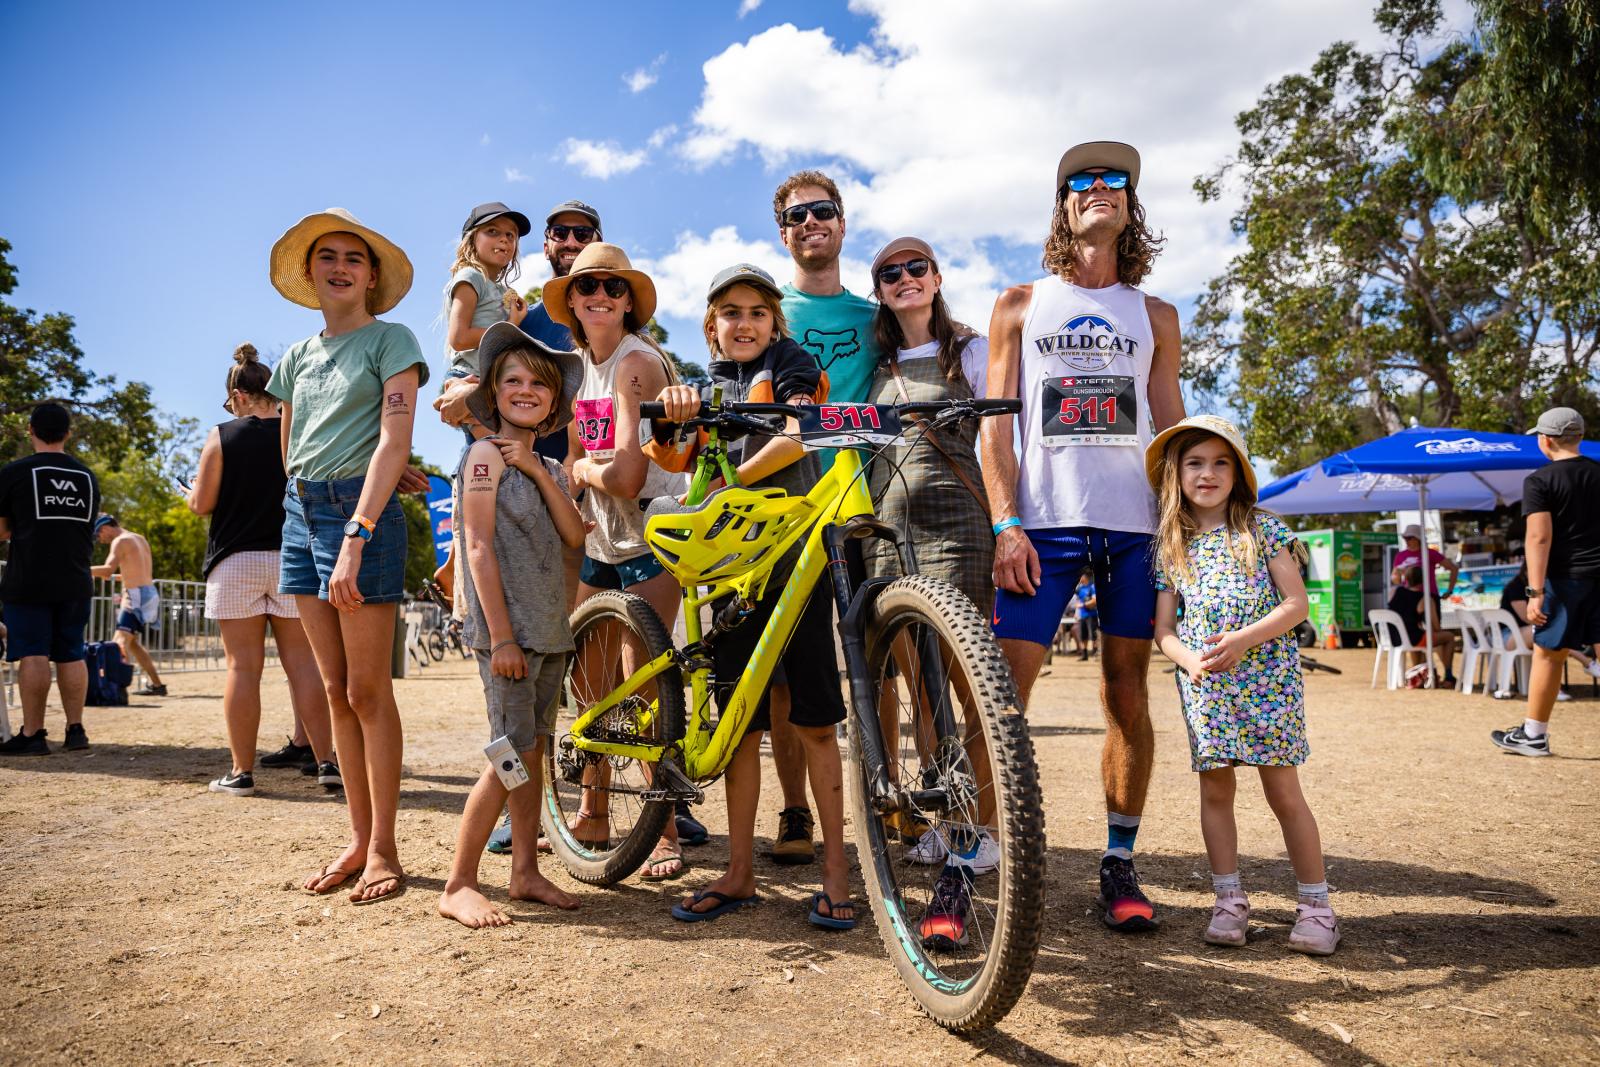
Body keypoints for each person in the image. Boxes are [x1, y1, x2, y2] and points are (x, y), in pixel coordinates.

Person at [980, 141, 1185, 931]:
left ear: (1130, 206)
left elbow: (1172, 427)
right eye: (1082, 180)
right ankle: (969, 859)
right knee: (1002, 698)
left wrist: (1187, 531)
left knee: (1126, 695)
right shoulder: (1019, 304)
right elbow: (996, 429)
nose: (1100, 187)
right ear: (1064, 206)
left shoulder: (1156, 315)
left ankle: (1119, 861)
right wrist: (1007, 522)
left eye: (1115, 180)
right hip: (1044, 527)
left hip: (1134, 528)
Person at [650, 263, 854, 930]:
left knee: (816, 718)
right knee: (739, 723)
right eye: (730, 313)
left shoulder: (788, 361)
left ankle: (836, 872)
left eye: (757, 312)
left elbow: (798, 427)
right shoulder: (705, 382)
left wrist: (733, 479)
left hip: (794, 556)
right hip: (732, 567)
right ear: (711, 325)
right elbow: (671, 455)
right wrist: (672, 414)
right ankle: (739, 871)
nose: (744, 323)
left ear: (775, 322)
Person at [267, 207, 428, 905]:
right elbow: (292, 446)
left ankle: (385, 847)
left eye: (353, 258)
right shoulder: (295, 358)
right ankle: (358, 839)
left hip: (357, 520)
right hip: (300, 513)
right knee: (332, 691)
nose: (339, 267)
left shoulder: (392, 340)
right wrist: (310, 500)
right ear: (310, 272)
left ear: (371, 276)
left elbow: (394, 437)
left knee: (367, 691)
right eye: (327, 256)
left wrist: (358, 529)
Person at [1149, 415, 1338, 955]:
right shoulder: (1172, 545)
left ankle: (1317, 908)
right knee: (1216, 791)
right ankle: (1229, 900)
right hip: (1207, 689)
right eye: (1194, 463)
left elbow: (1297, 605)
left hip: (1269, 682)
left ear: (1238, 473)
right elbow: (1164, 631)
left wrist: (1243, 641)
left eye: (1220, 462)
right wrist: (1189, 660)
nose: (1207, 473)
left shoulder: (1264, 529)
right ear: (1176, 474)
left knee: (1284, 792)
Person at [860, 236, 1000, 891]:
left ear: (937, 277)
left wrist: (1010, 526)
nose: (905, 278)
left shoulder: (970, 350)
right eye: (890, 273)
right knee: (921, 685)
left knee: (971, 682)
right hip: (891, 528)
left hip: (959, 522)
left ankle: (983, 826)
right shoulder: (877, 362)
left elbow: (1000, 436)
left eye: (916, 267)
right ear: (880, 290)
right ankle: (946, 813)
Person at [546, 241, 687, 879]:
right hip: (601, 539)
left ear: (629, 302)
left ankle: (664, 832)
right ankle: (594, 811)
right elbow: (580, 453)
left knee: (644, 683)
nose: (600, 295)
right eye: (587, 286)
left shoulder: (637, 363)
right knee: (590, 683)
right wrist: (572, 490)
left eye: (613, 286)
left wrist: (579, 473)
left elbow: (627, 477)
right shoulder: (580, 367)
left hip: (649, 536)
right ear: (571, 301)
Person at [438, 322, 586, 927]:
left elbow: (575, 535)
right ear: (493, 394)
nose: (526, 390)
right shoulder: (482, 456)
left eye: (539, 384)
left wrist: (538, 470)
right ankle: (458, 882)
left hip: (548, 631)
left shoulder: (545, 466)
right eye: (513, 381)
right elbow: (476, 545)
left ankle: (525, 870)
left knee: (534, 750)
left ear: (553, 403)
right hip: (508, 635)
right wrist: (500, 636)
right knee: (509, 754)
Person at [767, 169, 882, 866]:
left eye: (823, 211)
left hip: (863, 505)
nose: (811, 222)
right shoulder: (765, 310)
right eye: (797, 215)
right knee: (789, 671)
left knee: (880, 661)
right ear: (783, 232)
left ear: (842, 222)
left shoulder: (874, 317)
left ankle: (887, 798)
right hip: (788, 508)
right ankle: (794, 809)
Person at [186, 344, 337, 797]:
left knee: (242, 668)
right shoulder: (297, 432)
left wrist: (192, 490)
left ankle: (241, 772)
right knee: (304, 665)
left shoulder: (222, 436)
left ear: (238, 396)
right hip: (290, 557)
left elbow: (201, 504)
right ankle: (327, 761)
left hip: (236, 559)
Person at [1493, 408, 1600, 756]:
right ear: (1579, 436)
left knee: (1548, 654)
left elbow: (1539, 538)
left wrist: (1535, 592)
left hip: (1566, 581)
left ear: (1546, 440)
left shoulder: (1540, 481)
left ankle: (1534, 735)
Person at [0, 403, 99, 756]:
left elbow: (1, 530)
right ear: (68, 433)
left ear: (30, 431)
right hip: (76, 577)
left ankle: (33, 734)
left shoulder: (14, 472)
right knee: (71, 652)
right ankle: (76, 730)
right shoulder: (87, 476)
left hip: (29, 579)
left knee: (33, 652)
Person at [1497, 563, 1599, 700]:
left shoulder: (1539, 587)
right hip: (1507, 636)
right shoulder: (1516, 587)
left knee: (1552, 638)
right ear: (1528, 570)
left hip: (1523, 634)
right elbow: (1527, 617)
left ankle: (1556, 687)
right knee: (1551, 634)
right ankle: (1587, 663)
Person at [90, 515, 167, 697]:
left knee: (119, 643)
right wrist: (119, 577)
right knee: (132, 645)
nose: (99, 539)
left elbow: (107, 570)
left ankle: (116, 688)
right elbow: (138, 571)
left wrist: (78, 569)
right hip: (148, 593)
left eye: (98, 534)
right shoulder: (139, 538)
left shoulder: (119, 541)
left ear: (106, 528)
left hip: (135, 596)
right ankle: (157, 685)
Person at [1386, 566, 1457, 685]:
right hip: (1413, 638)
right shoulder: (1425, 598)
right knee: (1449, 637)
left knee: (1419, 636)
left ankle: (1421, 674)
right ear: (1423, 580)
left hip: (1393, 638)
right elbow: (1436, 627)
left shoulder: (1395, 592)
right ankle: (1449, 676)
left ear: (1406, 579)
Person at [1073, 569, 1099, 660]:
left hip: (1092, 615)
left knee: (1093, 635)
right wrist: (1076, 612)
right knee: (1083, 635)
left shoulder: (1092, 587)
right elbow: (1078, 601)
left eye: (1081, 576)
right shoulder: (1080, 588)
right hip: (1082, 615)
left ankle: (1096, 653)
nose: (1080, 577)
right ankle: (1085, 654)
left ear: (1085, 577)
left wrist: (1083, 605)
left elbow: (1094, 601)